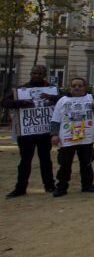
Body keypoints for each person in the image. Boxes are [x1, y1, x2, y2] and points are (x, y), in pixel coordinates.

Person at [3, 65, 57, 198]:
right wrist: (20, 102)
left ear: (44, 75)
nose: (36, 75)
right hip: (26, 132)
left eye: (39, 73)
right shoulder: (21, 89)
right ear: (30, 74)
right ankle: (20, 188)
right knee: (25, 161)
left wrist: (51, 97)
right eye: (34, 73)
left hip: (44, 131)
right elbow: (4, 102)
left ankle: (49, 185)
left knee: (45, 159)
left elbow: (62, 100)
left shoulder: (51, 90)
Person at [50, 77, 94, 197]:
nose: (77, 88)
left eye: (80, 85)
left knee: (86, 163)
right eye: (74, 86)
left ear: (84, 87)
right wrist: (55, 135)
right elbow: (55, 119)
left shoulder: (89, 98)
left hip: (86, 138)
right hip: (67, 138)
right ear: (70, 88)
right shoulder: (62, 101)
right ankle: (61, 187)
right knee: (65, 164)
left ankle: (87, 185)